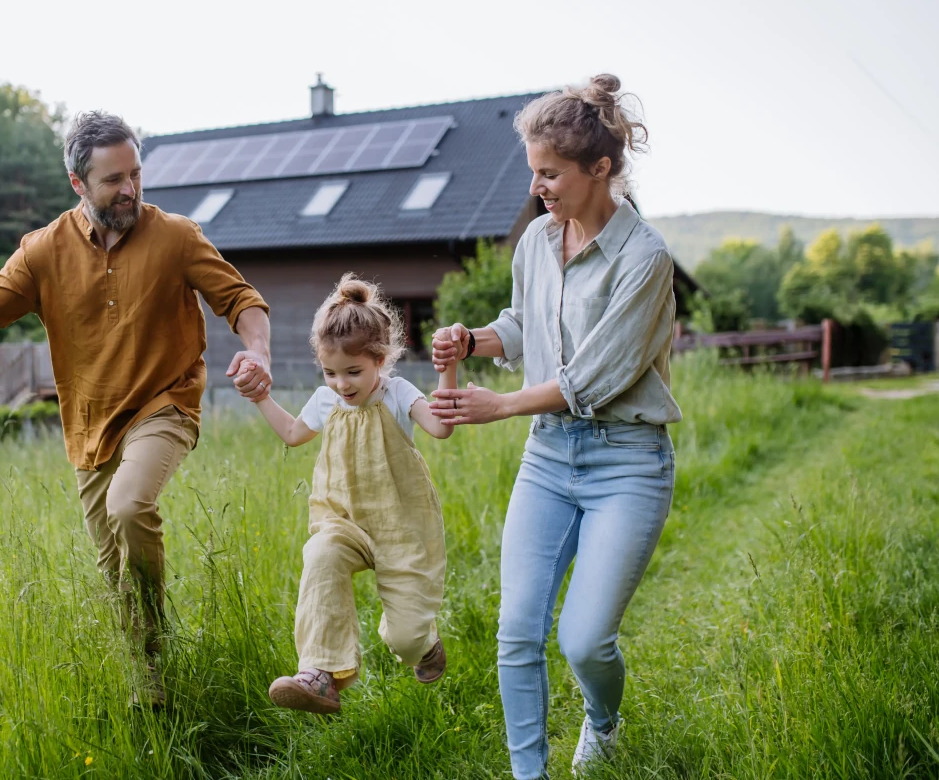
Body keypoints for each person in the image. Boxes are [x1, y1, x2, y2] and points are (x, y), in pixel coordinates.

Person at [0, 111, 272, 708]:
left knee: (130, 504)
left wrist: (258, 351)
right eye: (114, 179)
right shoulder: (43, 251)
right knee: (114, 574)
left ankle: (157, 642)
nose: (131, 189)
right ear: (77, 184)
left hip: (165, 404)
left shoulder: (176, 236)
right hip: (90, 427)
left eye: (136, 173)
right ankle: (154, 679)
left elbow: (241, 299)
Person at [429, 75, 680, 778]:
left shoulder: (645, 258)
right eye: (532, 171)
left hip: (627, 462)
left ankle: (603, 722)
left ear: (599, 169)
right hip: (549, 458)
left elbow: (594, 377)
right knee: (515, 633)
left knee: (583, 640)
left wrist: (499, 405)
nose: (537, 186)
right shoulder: (537, 241)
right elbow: (523, 325)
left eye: (550, 173)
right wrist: (472, 338)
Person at [245, 274, 456, 715]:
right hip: (343, 523)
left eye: (353, 372)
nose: (342, 383)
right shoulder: (327, 401)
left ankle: (424, 645)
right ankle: (320, 674)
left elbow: (441, 427)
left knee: (405, 640)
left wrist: (447, 369)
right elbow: (291, 432)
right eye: (331, 372)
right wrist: (262, 395)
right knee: (320, 555)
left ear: (381, 360)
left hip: (401, 527)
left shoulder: (398, 394)